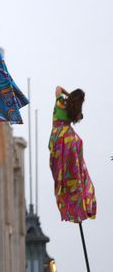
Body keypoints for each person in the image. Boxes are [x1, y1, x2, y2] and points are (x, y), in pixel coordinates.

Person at [49, 86, 97, 222]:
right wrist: (75, 102)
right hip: (71, 142)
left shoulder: (61, 102)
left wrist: (69, 96)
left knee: (61, 178)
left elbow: (58, 87)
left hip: (58, 140)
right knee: (77, 175)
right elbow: (79, 116)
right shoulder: (75, 112)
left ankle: (69, 206)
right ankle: (79, 205)